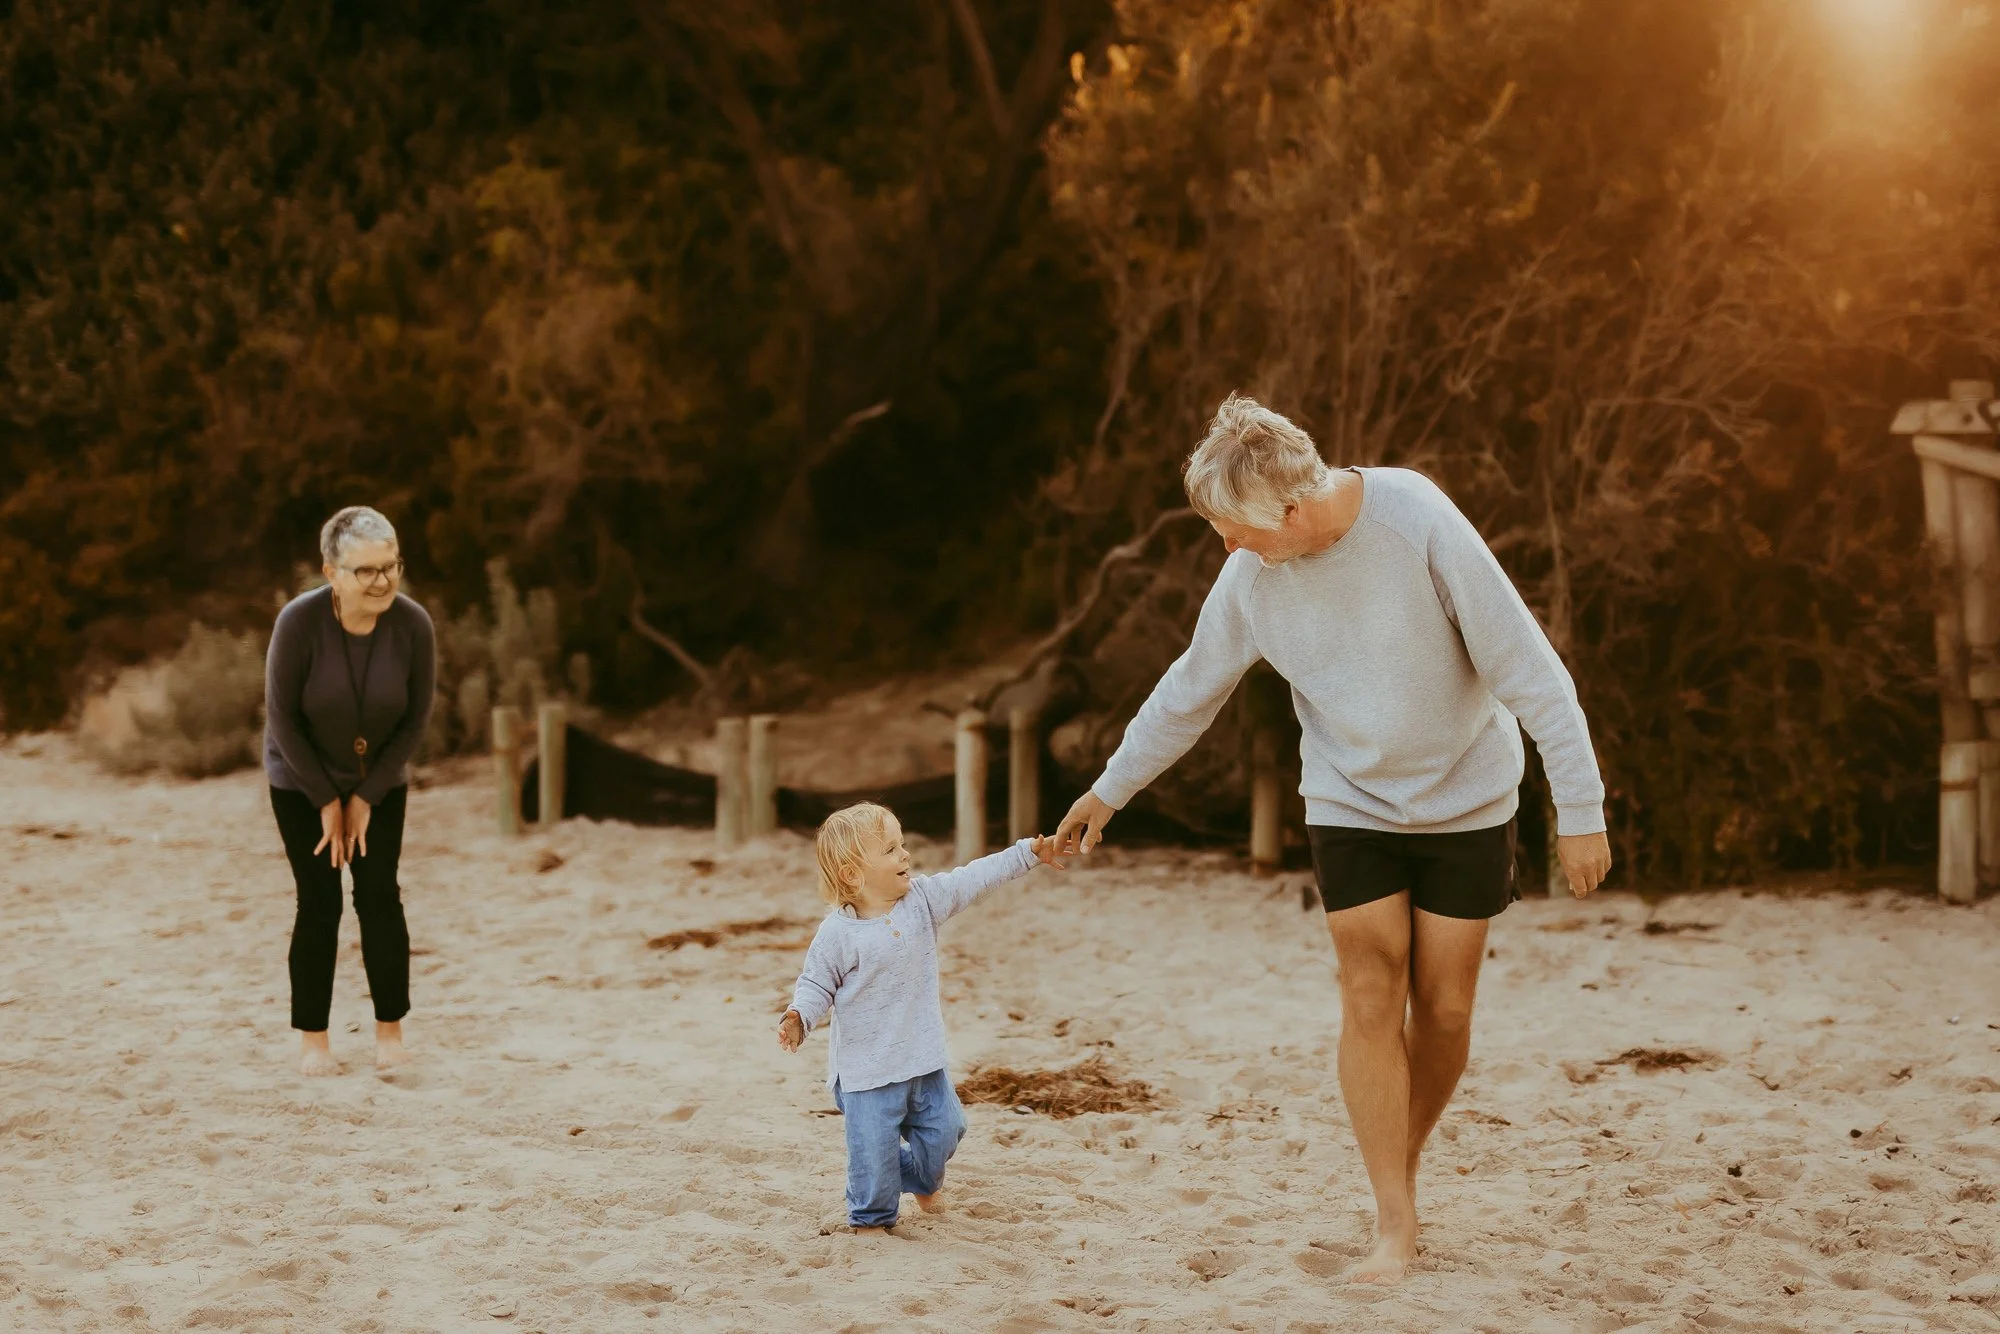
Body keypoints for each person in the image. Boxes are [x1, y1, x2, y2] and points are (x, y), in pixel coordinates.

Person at [1053, 395, 1612, 1284]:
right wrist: (1110, 790)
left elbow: (1531, 670)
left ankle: (1399, 1161)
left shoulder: (1417, 520)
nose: (1226, 550)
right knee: (1368, 986)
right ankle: (1394, 1221)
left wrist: (1580, 812)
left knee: (1448, 1007)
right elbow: (1190, 688)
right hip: (1349, 798)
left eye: (1234, 530)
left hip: (1468, 795)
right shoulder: (1251, 581)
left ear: (1293, 508)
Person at [778, 803, 1063, 1234]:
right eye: (891, 849)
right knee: (872, 1154)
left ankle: (920, 1180)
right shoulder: (837, 934)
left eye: (902, 844)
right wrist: (799, 1016)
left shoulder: (922, 900)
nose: (905, 855)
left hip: (923, 1058)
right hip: (867, 1073)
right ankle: (871, 1220)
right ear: (853, 873)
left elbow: (973, 879)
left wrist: (1026, 853)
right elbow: (817, 985)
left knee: (947, 1131)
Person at [263, 506, 436, 1076]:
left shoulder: (413, 626)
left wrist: (365, 796)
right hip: (300, 778)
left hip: (379, 780)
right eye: (366, 570)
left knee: (379, 896)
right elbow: (282, 719)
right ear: (330, 571)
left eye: (391, 566)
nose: (383, 581)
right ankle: (314, 1042)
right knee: (320, 901)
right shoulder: (298, 622)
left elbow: (414, 720)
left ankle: (390, 1036)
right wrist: (326, 799)